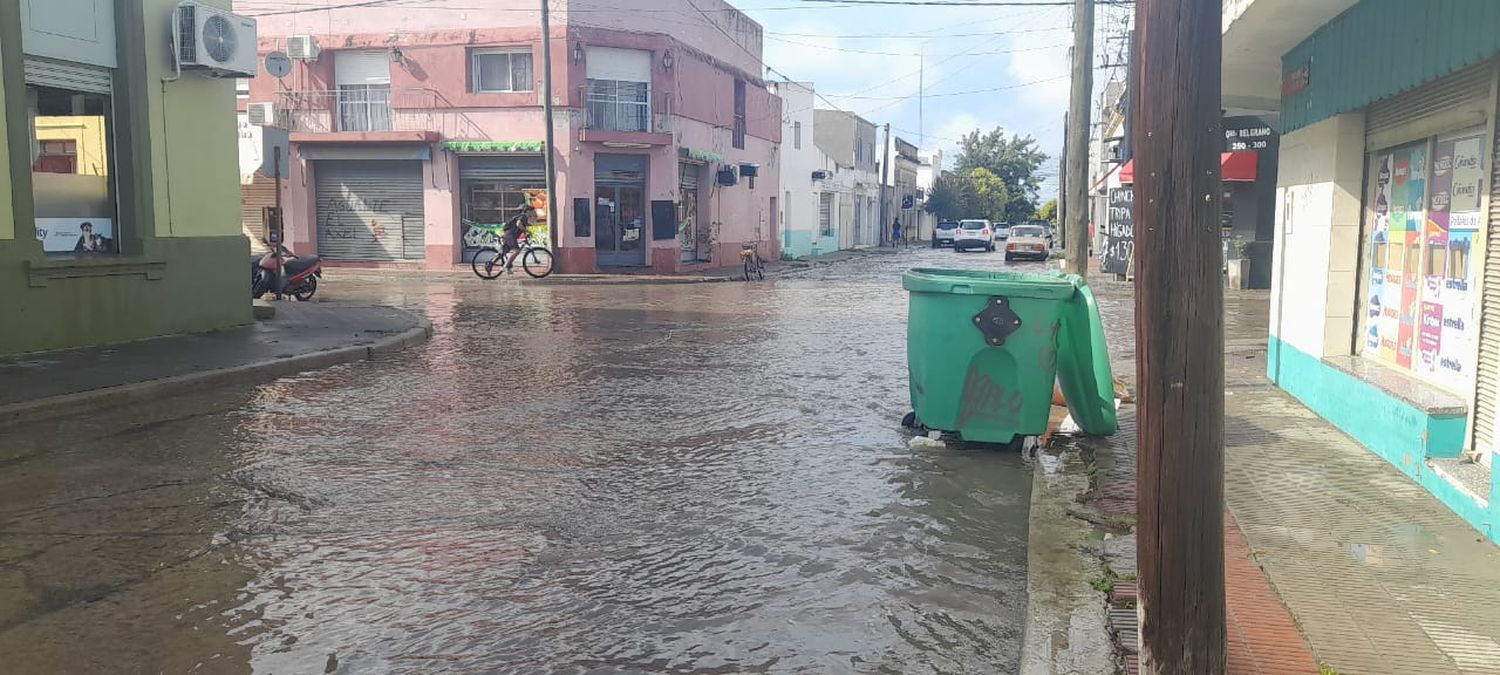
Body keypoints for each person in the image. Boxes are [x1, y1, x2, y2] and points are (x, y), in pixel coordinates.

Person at [500, 205, 531, 273]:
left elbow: (520, 227)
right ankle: (505, 266)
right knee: (516, 251)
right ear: (527, 211)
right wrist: (526, 231)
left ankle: (490, 264)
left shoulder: (520, 216)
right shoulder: (523, 216)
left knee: (503, 252)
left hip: (507, 234)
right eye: (530, 211)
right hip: (510, 235)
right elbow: (518, 224)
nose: (531, 213)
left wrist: (525, 232)